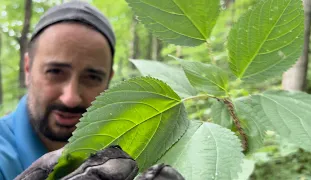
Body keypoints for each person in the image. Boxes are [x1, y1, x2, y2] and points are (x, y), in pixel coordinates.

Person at [0, 1, 184, 180]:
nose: (70, 98)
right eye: (55, 72)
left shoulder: (141, 149)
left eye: (92, 77)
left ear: (108, 80)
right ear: (27, 69)